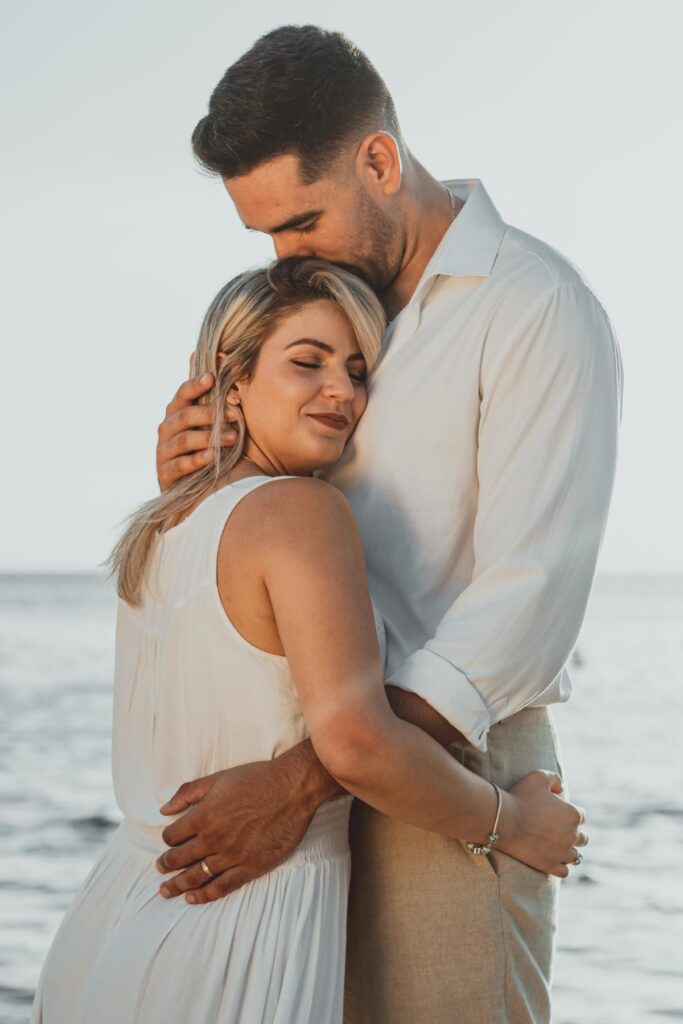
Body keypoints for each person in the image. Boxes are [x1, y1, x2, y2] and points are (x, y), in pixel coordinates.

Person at [153, 25, 622, 1024]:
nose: (285, 258)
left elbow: (519, 610)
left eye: (301, 222)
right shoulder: (326, 324)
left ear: (378, 159)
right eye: (264, 237)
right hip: (304, 764)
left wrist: (302, 778)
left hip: (444, 769)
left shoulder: (535, 310)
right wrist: (194, 473)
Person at [30, 258, 583, 1024]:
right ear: (231, 377)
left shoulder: (157, 528)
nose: (342, 392)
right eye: (307, 362)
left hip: (113, 926)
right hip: (235, 940)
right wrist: (513, 823)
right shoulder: (300, 514)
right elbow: (358, 743)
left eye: (357, 371)